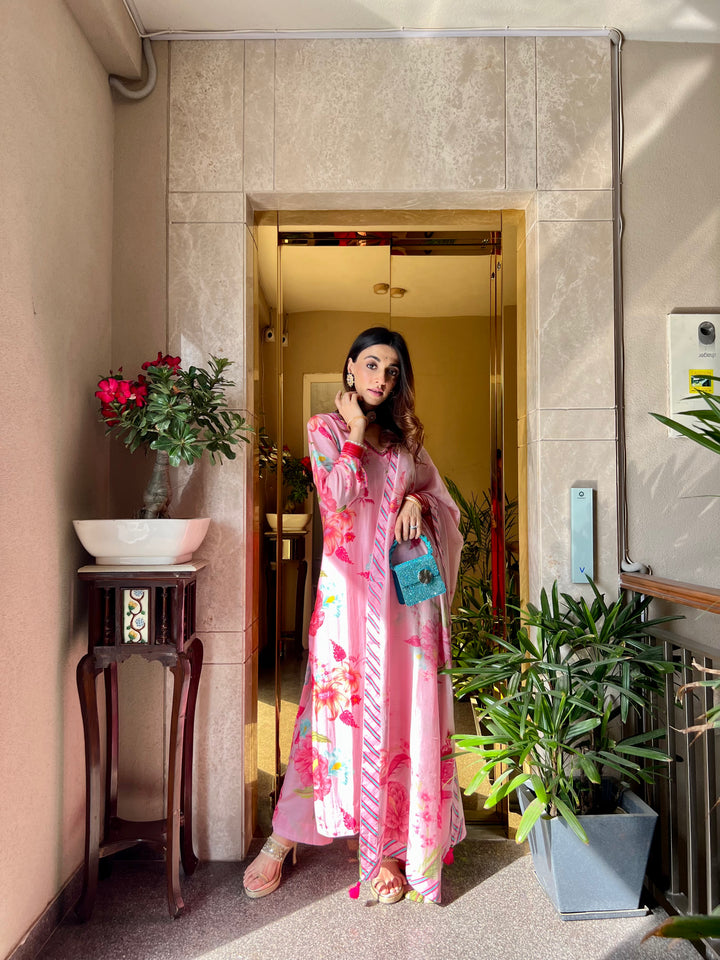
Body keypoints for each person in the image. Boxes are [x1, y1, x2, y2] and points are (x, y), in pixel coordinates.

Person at [243, 327, 465, 904]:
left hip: (404, 603)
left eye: (391, 370)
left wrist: (416, 500)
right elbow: (336, 497)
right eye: (371, 365)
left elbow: (443, 502)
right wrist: (357, 432)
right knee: (329, 717)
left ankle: (388, 847)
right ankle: (282, 838)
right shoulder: (325, 428)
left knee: (398, 712)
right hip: (347, 601)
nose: (380, 378)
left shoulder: (406, 440)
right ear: (350, 368)